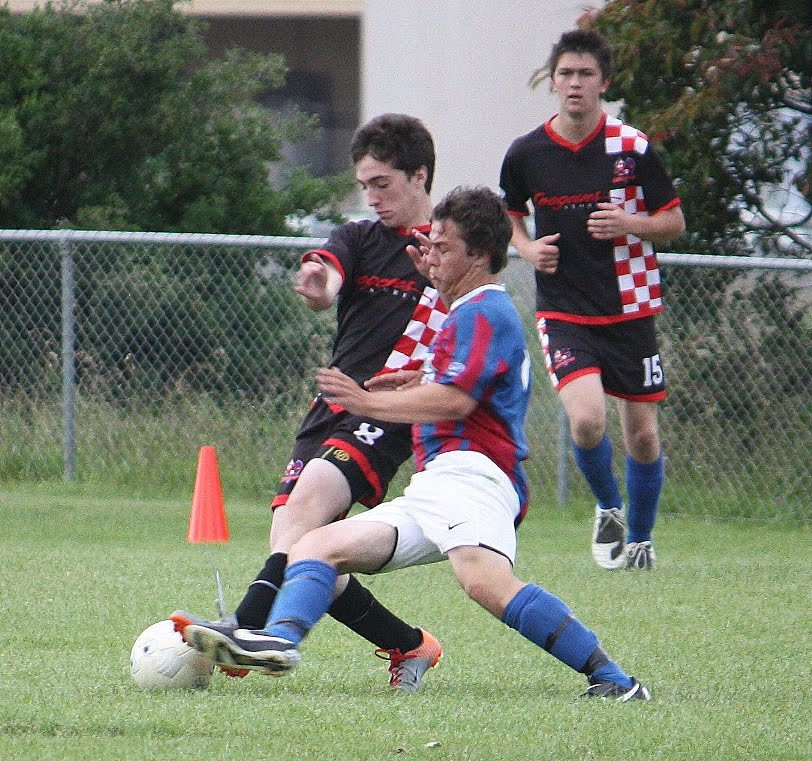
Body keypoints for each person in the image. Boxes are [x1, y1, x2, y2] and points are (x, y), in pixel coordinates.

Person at [178, 186, 651, 702]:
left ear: (479, 256)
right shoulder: (465, 310)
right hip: (437, 483)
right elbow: (462, 381)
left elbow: (455, 402)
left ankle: (616, 680)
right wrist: (411, 378)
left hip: (476, 476)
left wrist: (366, 401)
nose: (431, 256)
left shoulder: (484, 311)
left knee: (484, 582)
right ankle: (278, 641)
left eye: (444, 247)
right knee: (316, 545)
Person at [172, 113, 448, 692]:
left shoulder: (447, 253)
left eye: (383, 183)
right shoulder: (361, 237)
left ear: (420, 176)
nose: (371, 197)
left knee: (307, 511)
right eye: (364, 185)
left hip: (384, 416)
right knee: (299, 548)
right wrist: (319, 281)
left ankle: (246, 628)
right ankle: (410, 645)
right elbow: (328, 267)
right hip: (329, 410)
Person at [499, 28, 686, 570]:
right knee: (586, 421)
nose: (574, 84)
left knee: (644, 436)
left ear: (604, 82)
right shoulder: (527, 152)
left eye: (585, 74)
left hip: (631, 307)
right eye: (565, 74)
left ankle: (642, 540)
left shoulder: (632, 148)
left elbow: (673, 221)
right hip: (563, 310)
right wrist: (529, 249)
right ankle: (608, 508)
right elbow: (509, 217)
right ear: (552, 82)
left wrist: (630, 223)